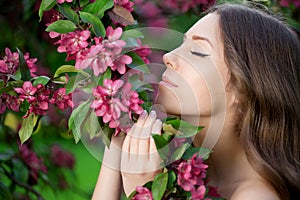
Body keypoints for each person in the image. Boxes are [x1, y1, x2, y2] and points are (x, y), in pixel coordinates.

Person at [92, 3, 300, 200]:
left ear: (244, 88)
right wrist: (115, 149)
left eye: (198, 52)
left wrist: (146, 189)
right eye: (182, 44)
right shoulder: (188, 168)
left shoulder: (256, 196)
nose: (169, 57)